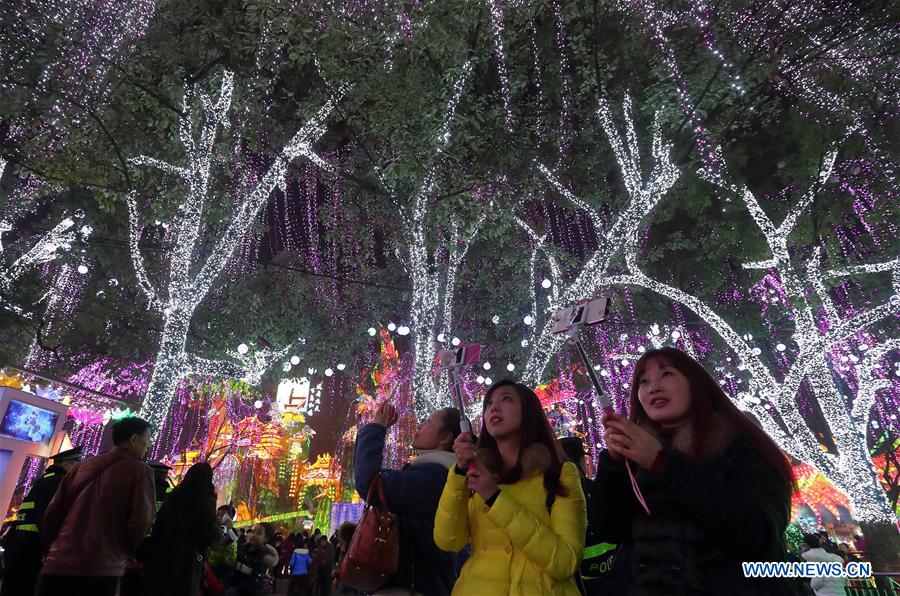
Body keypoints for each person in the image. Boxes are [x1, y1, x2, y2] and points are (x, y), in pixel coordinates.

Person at [590, 347, 799, 594]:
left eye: (666, 374)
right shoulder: (635, 456)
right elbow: (610, 529)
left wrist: (663, 463)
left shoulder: (742, 445)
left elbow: (757, 530)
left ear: (696, 384)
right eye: (643, 382)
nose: (653, 387)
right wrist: (613, 464)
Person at [434, 380, 586, 595]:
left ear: (529, 411)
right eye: (488, 404)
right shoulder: (474, 473)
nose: (493, 408)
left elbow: (565, 561)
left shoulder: (561, 473)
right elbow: (447, 540)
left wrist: (495, 498)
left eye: (506, 398)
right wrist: (459, 473)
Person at [36, 417, 156, 596]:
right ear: (133, 439)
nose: (148, 445)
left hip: (57, 565)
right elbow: (141, 521)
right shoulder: (141, 471)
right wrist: (126, 551)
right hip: (101, 567)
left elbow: (52, 514)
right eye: (147, 439)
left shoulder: (82, 466)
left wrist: (57, 547)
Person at [354, 402, 463, 595]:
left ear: (445, 438)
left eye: (428, 422)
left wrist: (377, 428)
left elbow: (370, 482)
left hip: (412, 588)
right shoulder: (432, 474)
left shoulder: (435, 477)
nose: (420, 425)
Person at [0, 446, 82, 596]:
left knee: (12, 586)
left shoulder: (44, 479)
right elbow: (48, 517)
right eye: (77, 461)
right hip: (32, 546)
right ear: (66, 464)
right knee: (25, 587)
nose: (79, 466)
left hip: (20, 542)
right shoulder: (56, 483)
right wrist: (48, 547)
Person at [143, 462, 221, 595]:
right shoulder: (207, 502)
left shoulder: (173, 498)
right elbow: (208, 536)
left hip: (164, 558)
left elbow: (158, 529)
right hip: (188, 565)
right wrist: (223, 528)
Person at [559, 436, 616, 595]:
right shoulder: (592, 487)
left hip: (580, 577)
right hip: (606, 572)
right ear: (580, 460)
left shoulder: (558, 493)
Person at [226, 522, 279, 595]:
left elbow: (255, 584)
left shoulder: (263, 558)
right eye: (253, 532)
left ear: (266, 539)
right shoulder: (242, 548)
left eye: (259, 533)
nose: (254, 535)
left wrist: (235, 591)